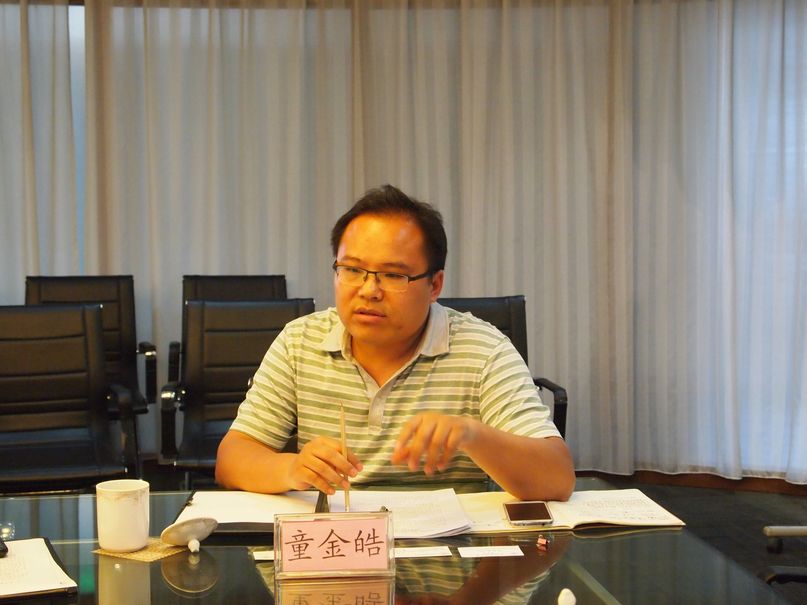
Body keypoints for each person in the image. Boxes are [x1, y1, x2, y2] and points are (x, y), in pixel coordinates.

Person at [216, 185, 574, 500]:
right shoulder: (299, 341)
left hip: (451, 546)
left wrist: (472, 435)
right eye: (352, 270)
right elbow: (233, 458)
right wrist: (291, 469)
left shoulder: (483, 350)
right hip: (339, 540)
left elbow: (557, 479)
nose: (369, 291)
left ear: (434, 285)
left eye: (393, 275)